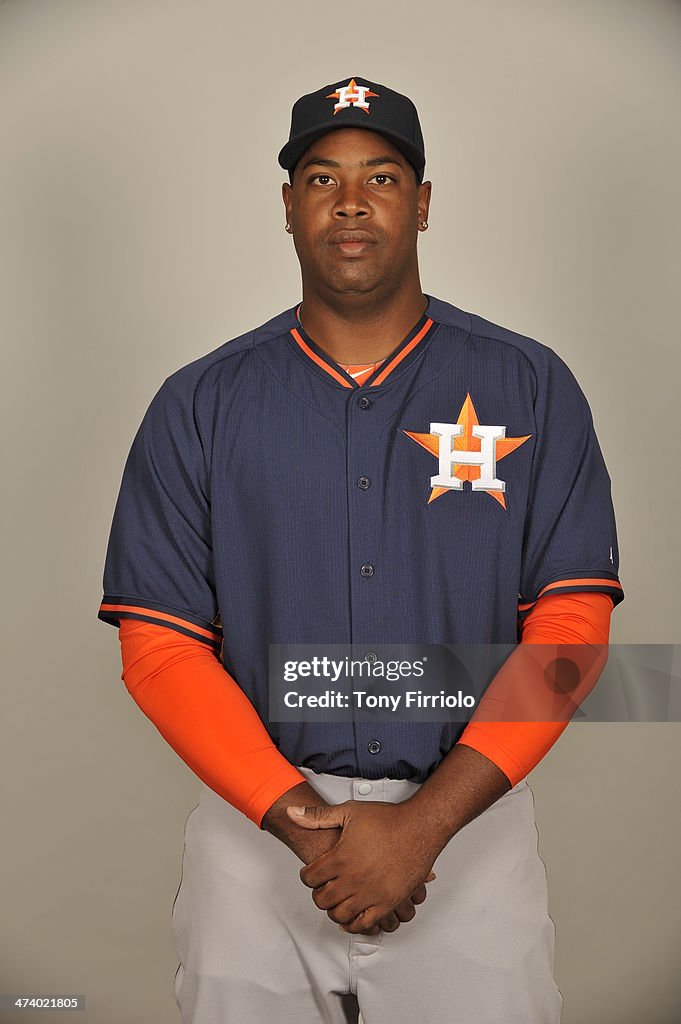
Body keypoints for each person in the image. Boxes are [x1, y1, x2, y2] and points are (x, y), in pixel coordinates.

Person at [98, 75, 624, 1024]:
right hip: (254, 833)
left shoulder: (527, 383)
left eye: (381, 177)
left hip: (469, 826)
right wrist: (304, 827)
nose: (350, 200)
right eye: (320, 176)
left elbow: (571, 630)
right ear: (289, 206)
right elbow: (160, 648)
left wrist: (423, 826)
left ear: (421, 205)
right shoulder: (199, 403)